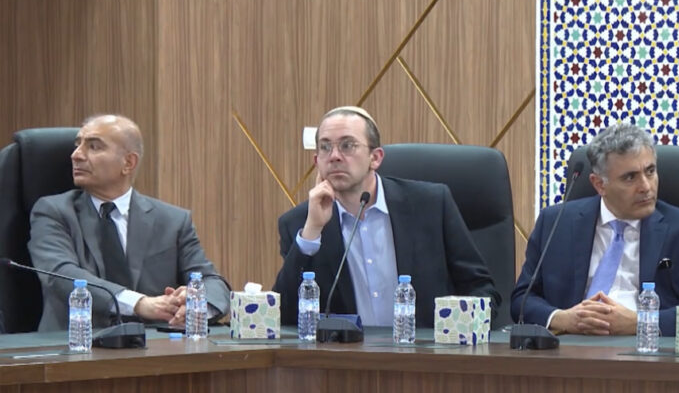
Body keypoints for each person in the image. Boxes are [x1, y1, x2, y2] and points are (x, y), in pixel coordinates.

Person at [272, 106, 500, 327]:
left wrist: (456, 334)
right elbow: (285, 317)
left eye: (347, 145)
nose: (334, 156)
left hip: (426, 349)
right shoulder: (300, 224)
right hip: (344, 352)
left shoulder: (431, 205)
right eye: (325, 147)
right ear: (317, 161)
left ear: (375, 158)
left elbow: (481, 289)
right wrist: (312, 232)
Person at [510, 123, 679, 336]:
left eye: (650, 171)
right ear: (599, 184)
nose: (646, 186)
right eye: (630, 177)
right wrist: (563, 319)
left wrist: (640, 322)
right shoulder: (556, 223)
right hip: (571, 345)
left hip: (645, 348)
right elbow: (522, 300)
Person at [29, 115, 230, 331]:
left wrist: (196, 306)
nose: (76, 155)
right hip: (75, 341)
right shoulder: (54, 212)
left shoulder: (172, 220)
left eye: (94, 147)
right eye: (77, 145)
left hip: (152, 345)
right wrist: (139, 303)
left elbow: (211, 281)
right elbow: (60, 274)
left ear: (128, 163)